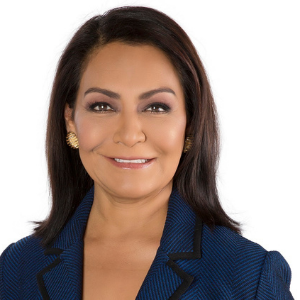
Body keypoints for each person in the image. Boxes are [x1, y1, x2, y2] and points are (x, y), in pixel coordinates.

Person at [0, 6, 293, 300]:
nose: (129, 135)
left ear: (190, 124)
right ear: (70, 119)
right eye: (102, 106)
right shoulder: (17, 267)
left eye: (156, 107)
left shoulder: (248, 277)